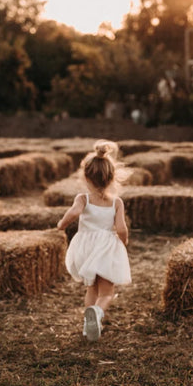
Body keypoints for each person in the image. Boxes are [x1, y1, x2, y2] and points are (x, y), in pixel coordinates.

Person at [57, 140, 131, 341]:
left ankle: (87, 323)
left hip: (86, 247)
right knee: (106, 292)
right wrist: (123, 243)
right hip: (106, 247)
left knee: (91, 287)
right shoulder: (117, 202)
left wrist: (60, 225)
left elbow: (73, 213)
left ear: (86, 177)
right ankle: (97, 313)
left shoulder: (83, 198)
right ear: (112, 177)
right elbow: (122, 228)